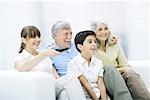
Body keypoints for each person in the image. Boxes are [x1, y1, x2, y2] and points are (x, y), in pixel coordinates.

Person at [49, 20, 132, 100]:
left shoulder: (79, 46)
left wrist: (109, 38)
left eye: (71, 33)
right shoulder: (49, 52)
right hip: (72, 83)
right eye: (66, 34)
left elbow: (90, 37)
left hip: (92, 79)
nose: (69, 37)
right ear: (55, 35)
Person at [91, 20, 150, 100]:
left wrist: (123, 70)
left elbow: (125, 64)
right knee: (111, 69)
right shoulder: (92, 48)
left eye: (106, 28)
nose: (104, 32)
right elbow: (101, 70)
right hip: (106, 77)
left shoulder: (114, 44)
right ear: (94, 32)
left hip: (120, 75)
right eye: (100, 29)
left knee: (131, 73)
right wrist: (122, 69)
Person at [67, 30, 107, 100]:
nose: (94, 44)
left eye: (95, 41)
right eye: (90, 42)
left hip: (98, 95)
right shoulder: (73, 63)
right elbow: (85, 84)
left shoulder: (99, 62)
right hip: (83, 96)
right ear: (80, 47)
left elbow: (101, 84)